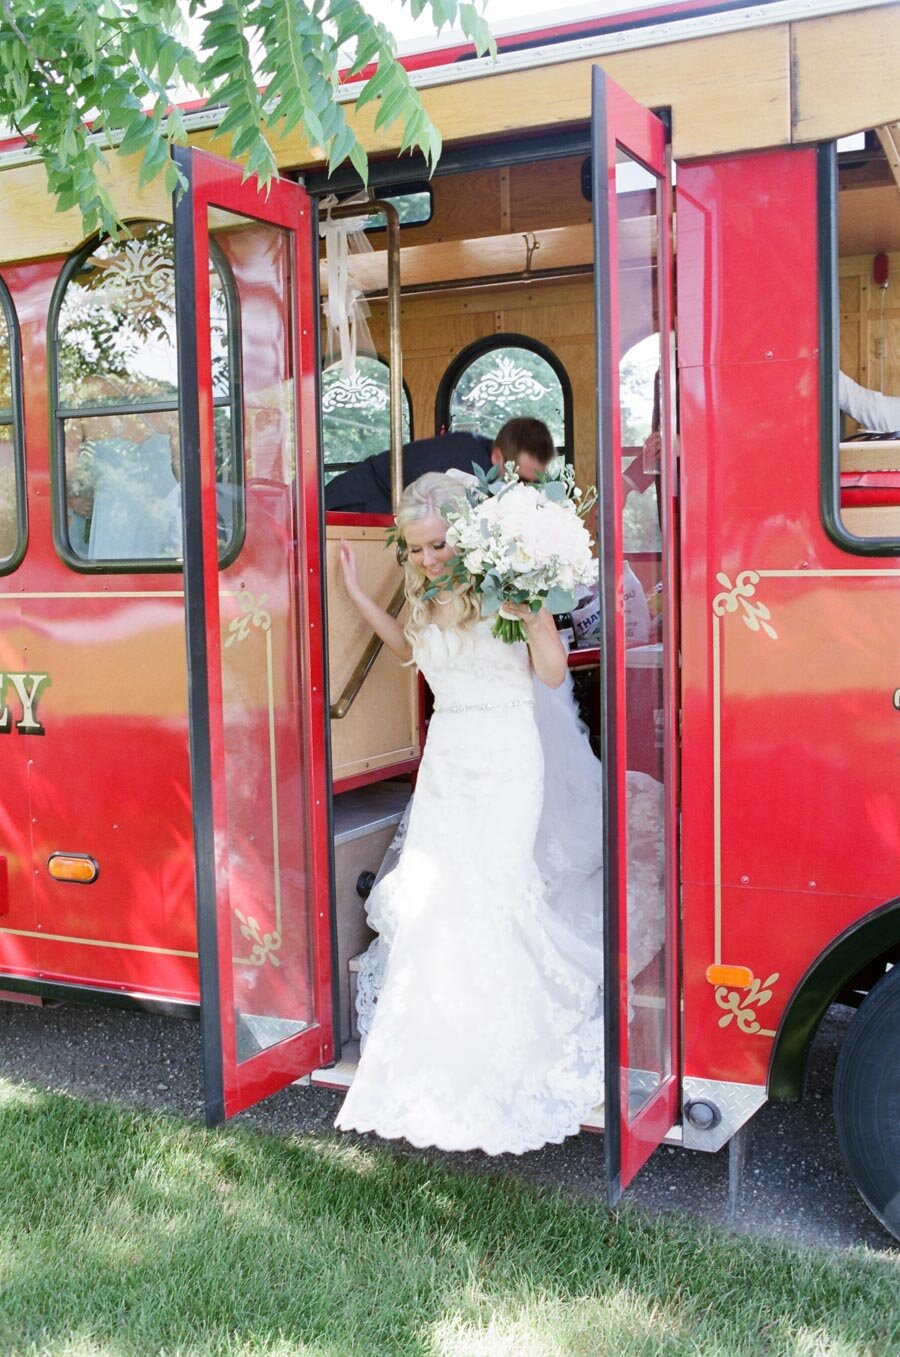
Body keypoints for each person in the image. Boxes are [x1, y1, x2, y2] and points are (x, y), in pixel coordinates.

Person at [334, 472, 665, 1153]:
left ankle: (503, 1042)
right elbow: (405, 650)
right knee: (438, 895)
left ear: (465, 534)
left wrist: (539, 607)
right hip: (450, 760)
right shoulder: (426, 595)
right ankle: (440, 1040)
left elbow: (550, 673)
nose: (427, 559)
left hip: (510, 758)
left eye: (438, 544)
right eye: (416, 548)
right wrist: (360, 594)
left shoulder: (505, 589)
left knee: (494, 890)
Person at [323, 416, 556, 514]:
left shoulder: (487, 460)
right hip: (352, 507)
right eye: (522, 480)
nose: (524, 488)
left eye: (536, 483)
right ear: (497, 457)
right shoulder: (462, 467)